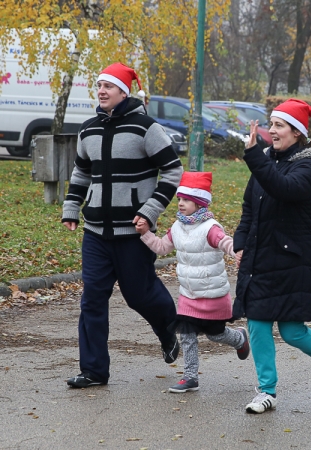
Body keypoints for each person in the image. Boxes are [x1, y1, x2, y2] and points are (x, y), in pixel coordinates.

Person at [62, 62, 183, 388]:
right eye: (99, 85)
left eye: (108, 86)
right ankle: (93, 371)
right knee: (92, 300)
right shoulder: (88, 129)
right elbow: (81, 173)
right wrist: (72, 207)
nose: (101, 91)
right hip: (96, 232)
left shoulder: (146, 128)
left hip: (134, 233)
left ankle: (169, 330)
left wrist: (151, 211)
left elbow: (173, 171)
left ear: (123, 92)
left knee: (139, 295)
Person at [233, 99, 311, 414]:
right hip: (261, 257)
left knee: (292, 330)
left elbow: (284, 188)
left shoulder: (308, 165)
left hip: (292, 258)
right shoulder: (266, 161)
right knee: (257, 322)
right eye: (271, 124)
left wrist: (254, 156)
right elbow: (250, 206)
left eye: (279, 125)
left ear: (296, 132)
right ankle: (266, 391)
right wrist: (240, 242)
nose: (272, 131)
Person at [135, 172, 250, 393]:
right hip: (189, 294)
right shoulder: (177, 228)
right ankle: (190, 377)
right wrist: (146, 233)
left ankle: (239, 339)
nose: (180, 204)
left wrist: (237, 251)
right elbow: (162, 247)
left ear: (199, 203)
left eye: (186, 200)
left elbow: (224, 242)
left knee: (216, 334)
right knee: (186, 334)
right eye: (179, 200)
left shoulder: (210, 227)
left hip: (213, 294)